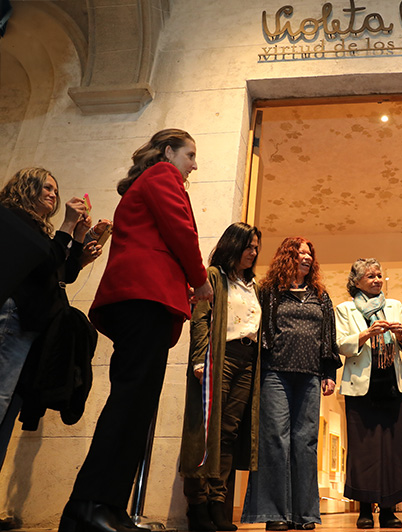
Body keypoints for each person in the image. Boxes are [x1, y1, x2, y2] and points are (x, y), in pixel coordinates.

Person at [58, 129, 213, 532]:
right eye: (190, 155)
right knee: (131, 404)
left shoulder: (148, 181)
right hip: (146, 298)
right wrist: (200, 281)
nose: (194, 165)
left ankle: (104, 506)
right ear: (167, 151)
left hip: (143, 300)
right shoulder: (163, 175)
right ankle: (91, 505)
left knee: (134, 404)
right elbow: (181, 230)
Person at [0, 167, 100, 470]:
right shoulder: (11, 219)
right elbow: (44, 262)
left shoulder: (39, 229)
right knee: (0, 398)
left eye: (55, 190)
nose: (53, 194)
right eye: (46, 187)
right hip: (13, 319)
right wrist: (68, 225)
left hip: (31, 326)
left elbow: (61, 274)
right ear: (26, 187)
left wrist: (79, 242)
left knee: (9, 408)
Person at [242, 237, 341, 532]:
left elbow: (329, 336)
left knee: (306, 442)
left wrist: (328, 373)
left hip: (310, 375)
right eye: (301, 253)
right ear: (288, 257)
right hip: (276, 372)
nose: (307, 257)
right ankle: (275, 513)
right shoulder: (270, 292)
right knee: (275, 440)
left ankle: (305, 514)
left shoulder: (321, 296)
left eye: (310, 253)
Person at [180, 222, 262, 532]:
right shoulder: (213, 276)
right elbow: (200, 319)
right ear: (233, 245)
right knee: (206, 431)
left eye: (256, 248)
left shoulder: (253, 286)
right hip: (219, 356)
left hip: (246, 360)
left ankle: (218, 503)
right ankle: (197, 506)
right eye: (248, 246)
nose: (253, 252)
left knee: (228, 433)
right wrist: (200, 358)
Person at [335, 258, 402, 529]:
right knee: (363, 450)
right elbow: (341, 345)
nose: (376, 280)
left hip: (392, 384)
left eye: (379, 275)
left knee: (393, 448)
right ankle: (365, 510)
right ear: (356, 282)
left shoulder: (394, 306)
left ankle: (389, 510)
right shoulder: (345, 309)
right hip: (361, 387)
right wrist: (366, 334)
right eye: (370, 276)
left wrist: (401, 336)